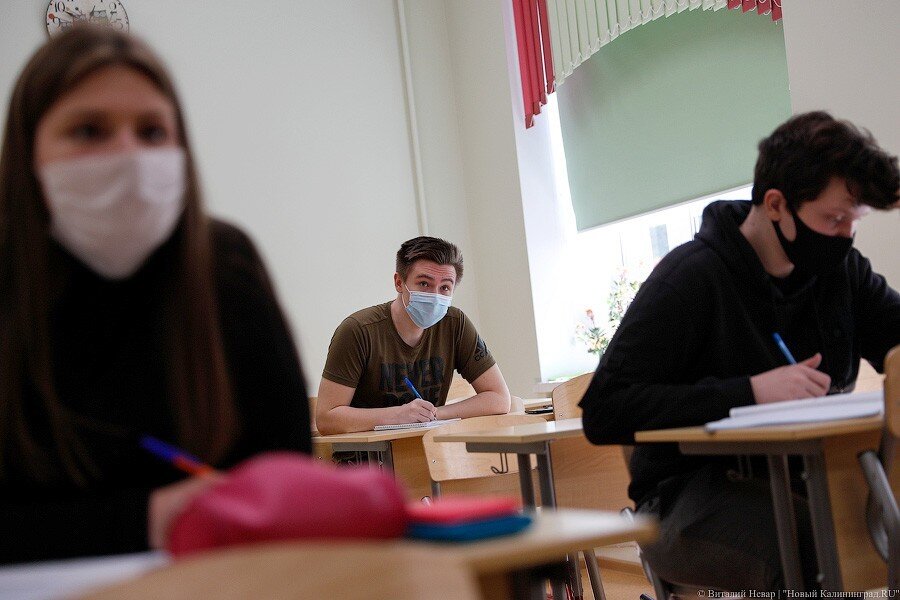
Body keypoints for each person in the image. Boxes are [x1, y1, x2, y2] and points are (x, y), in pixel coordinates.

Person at [0, 26, 312, 564]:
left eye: (151, 132)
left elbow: (286, 473)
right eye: (88, 130)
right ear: (28, 152)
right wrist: (148, 517)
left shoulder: (225, 264)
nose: (129, 156)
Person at [579, 112, 900, 590]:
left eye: (854, 222)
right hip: (684, 498)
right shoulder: (690, 278)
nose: (845, 236)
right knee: (819, 545)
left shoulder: (842, 273)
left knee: (851, 531)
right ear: (776, 204)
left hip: (811, 479)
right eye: (834, 219)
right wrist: (749, 392)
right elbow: (604, 411)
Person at [315, 236, 511, 435]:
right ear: (399, 282)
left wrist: (434, 414)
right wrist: (399, 415)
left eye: (445, 287)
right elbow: (326, 418)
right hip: (370, 451)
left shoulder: (455, 324)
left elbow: (499, 398)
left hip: (429, 447)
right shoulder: (358, 330)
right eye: (424, 284)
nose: (435, 296)